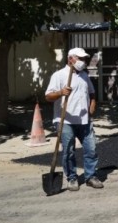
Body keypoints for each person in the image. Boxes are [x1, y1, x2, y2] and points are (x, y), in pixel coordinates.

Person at [45, 47, 104, 190]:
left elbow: (92, 93)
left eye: (84, 59)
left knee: (91, 149)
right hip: (65, 121)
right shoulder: (58, 76)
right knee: (69, 151)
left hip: (84, 120)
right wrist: (61, 92)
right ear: (70, 59)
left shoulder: (84, 75)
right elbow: (48, 96)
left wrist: (92, 105)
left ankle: (91, 176)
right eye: (80, 58)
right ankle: (72, 178)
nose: (83, 61)